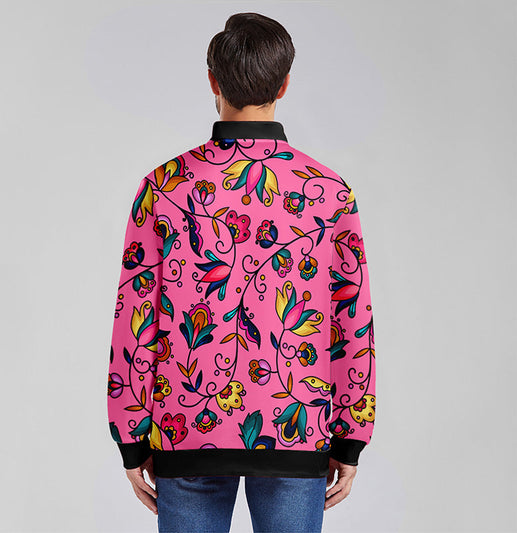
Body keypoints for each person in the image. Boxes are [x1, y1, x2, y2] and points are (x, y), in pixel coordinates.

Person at [107, 12, 376, 533]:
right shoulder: (328, 192)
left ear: (213, 81)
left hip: (187, 428)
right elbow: (352, 317)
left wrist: (131, 436)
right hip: (297, 427)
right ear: (285, 84)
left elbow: (135, 316)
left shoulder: (165, 188)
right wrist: (351, 434)